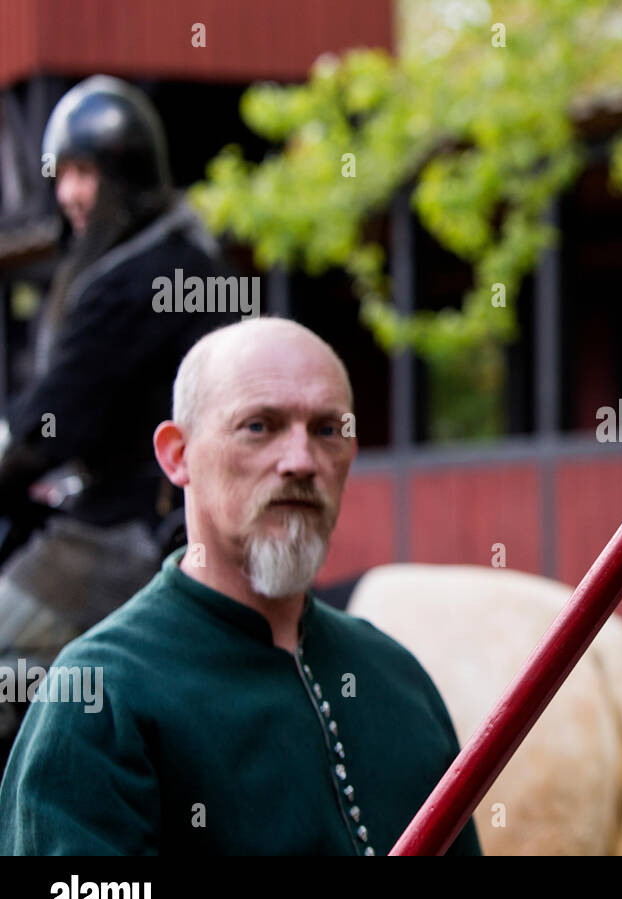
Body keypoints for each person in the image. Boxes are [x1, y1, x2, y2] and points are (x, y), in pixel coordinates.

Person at [0, 317, 482, 855]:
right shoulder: (100, 696)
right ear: (177, 455)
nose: (301, 461)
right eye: (259, 426)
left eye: (327, 430)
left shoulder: (398, 679)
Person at [0, 75, 234, 759]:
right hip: (171, 516)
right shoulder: (187, 257)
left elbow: (51, 429)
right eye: (64, 174)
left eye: (84, 173)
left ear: (125, 176)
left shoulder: (133, 281)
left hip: (125, 533)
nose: (70, 193)